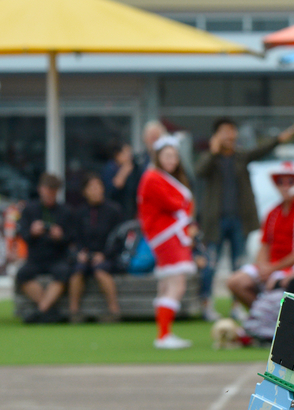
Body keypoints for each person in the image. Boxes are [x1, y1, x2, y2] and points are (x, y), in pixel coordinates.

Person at [194, 117, 294, 320]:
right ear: (216, 135)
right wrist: (213, 152)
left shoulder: (241, 156)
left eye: (232, 130)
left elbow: (266, 147)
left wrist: (292, 131)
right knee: (211, 265)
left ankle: (236, 307)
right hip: (215, 221)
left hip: (239, 219)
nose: (229, 135)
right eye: (224, 131)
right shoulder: (210, 158)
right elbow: (199, 171)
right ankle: (207, 304)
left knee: (238, 262)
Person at [225, 161, 294, 315]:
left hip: (291, 268)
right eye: (281, 182)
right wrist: (262, 268)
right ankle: (262, 320)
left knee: (272, 285)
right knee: (235, 282)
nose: (286, 186)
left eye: (291, 182)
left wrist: (273, 269)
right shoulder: (272, 212)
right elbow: (264, 245)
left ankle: (265, 322)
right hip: (271, 266)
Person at [137, 135, 197, 349]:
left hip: (167, 235)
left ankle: (164, 333)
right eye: (167, 155)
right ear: (158, 156)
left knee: (166, 284)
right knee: (176, 284)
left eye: (175, 156)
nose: (172, 160)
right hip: (167, 236)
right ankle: (164, 336)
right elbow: (174, 203)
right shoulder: (153, 177)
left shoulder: (157, 176)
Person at [15, 173, 73, 324]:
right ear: (40, 189)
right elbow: (23, 234)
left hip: (56, 257)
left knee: (64, 272)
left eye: (54, 191)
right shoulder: (29, 210)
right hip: (36, 257)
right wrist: (32, 232)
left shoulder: (65, 211)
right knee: (22, 274)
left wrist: (60, 236)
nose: (50, 194)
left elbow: (71, 238)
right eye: (48, 190)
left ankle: (40, 311)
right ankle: (49, 312)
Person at [68, 173, 124, 323]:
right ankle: (74, 312)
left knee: (100, 270)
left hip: (107, 257)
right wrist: (81, 253)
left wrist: (104, 254)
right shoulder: (79, 212)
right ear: (84, 191)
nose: (95, 191)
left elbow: (119, 238)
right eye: (91, 188)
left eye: (98, 187)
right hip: (86, 256)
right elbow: (75, 237)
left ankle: (114, 310)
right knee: (77, 270)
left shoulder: (114, 210)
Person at [100, 141, 137, 220]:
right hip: (115, 210)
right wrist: (123, 172)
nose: (129, 156)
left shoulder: (134, 168)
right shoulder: (110, 168)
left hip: (129, 210)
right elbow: (112, 189)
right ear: (117, 154)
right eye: (126, 153)